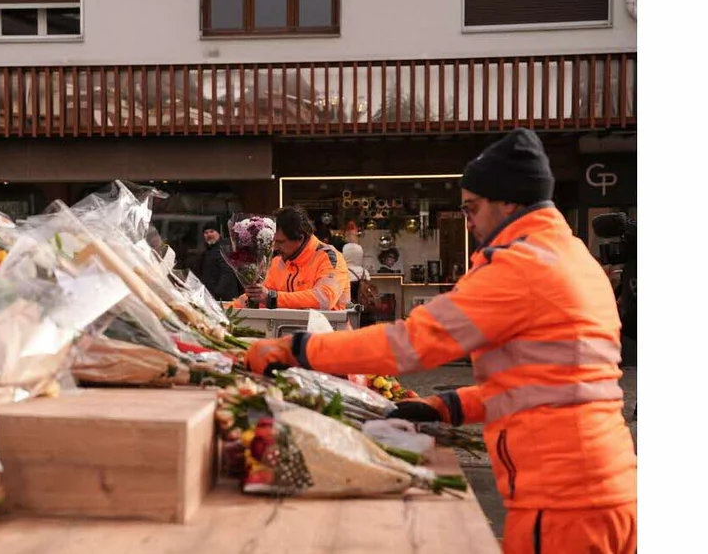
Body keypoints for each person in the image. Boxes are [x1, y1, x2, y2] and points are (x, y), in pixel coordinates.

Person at [242, 128, 636, 554]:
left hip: (561, 505)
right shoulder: (574, 257)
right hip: (607, 486)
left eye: (471, 208)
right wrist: (450, 406)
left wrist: (297, 350)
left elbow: (411, 343)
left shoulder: (519, 265)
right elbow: (550, 383)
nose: (467, 222)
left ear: (508, 202)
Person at [236, 206, 351, 310]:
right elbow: (262, 295)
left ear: (300, 238)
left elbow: (324, 299)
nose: (275, 248)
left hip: (329, 331)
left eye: (280, 242)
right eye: (273, 242)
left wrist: (272, 298)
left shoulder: (329, 257)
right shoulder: (277, 262)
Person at [198, 228, 241, 301]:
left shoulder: (223, 248)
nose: (209, 234)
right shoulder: (208, 251)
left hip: (223, 298)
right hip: (212, 296)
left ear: (219, 233)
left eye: (212, 231)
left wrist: (216, 292)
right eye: (206, 232)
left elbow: (227, 272)